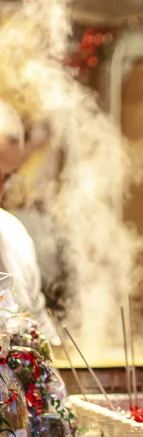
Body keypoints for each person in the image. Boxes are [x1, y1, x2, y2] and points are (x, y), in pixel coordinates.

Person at [0, 99, 58, 345]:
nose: (0, 189)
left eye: (7, 177)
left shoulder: (14, 235)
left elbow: (37, 320)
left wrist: (60, 367)